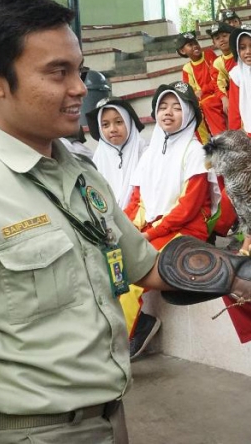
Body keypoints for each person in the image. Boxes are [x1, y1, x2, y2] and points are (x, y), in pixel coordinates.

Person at [0, 0, 173, 444]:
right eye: (58, 72)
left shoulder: (83, 176)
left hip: (113, 422)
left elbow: (144, 266)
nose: (79, 88)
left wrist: (247, 274)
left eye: (80, 70)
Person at [85, 97, 155, 359]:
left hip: (137, 224)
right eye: (105, 124)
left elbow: (146, 197)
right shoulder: (98, 157)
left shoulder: (144, 151)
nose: (112, 129)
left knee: (118, 266)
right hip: (107, 228)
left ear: (129, 123)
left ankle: (131, 330)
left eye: (118, 122)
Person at [124, 82, 219, 248]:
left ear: (189, 114)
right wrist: (125, 228)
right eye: (162, 107)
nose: (168, 112)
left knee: (144, 261)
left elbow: (187, 208)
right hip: (151, 226)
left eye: (177, 108)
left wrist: (148, 234)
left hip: (186, 228)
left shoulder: (196, 152)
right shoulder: (149, 153)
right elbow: (137, 201)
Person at [175, 31, 224, 138]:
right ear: (183, 51)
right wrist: (197, 94)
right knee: (193, 111)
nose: (195, 46)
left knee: (208, 103)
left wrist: (203, 90)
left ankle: (220, 136)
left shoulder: (208, 54)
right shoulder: (187, 68)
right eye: (190, 45)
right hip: (203, 99)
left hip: (217, 91)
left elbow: (217, 78)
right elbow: (190, 91)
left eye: (195, 43)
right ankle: (205, 143)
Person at [207, 22, 237, 120]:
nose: (222, 40)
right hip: (230, 93)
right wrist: (224, 99)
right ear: (214, 43)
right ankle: (219, 134)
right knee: (207, 103)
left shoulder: (242, 52)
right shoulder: (217, 63)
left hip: (244, 90)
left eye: (224, 36)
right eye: (217, 38)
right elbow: (218, 84)